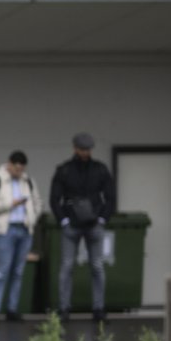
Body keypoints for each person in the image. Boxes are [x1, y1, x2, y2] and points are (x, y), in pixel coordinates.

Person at [49, 133, 117, 324]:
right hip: (74, 225)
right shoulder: (64, 170)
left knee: (96, 267)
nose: (85, 152)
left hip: (93, 224)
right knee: (68, 267)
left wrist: (103, 219)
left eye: (88, 149)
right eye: (82, 149)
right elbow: (54, 199)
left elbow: (110, 196)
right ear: (75, 148)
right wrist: (63, 221)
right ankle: (64, 309)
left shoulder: (99, 170)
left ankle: (98, 309)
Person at [0, 151, 40, 325]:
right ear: (9, 164)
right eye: (16, 168)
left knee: (18, 271)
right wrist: (11, 203)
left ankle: (12, 309)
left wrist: (32, 219)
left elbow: (37, 202)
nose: (18, 172)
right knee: (2, 271)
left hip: (24, 229)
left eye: (21, 169)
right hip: (5, 230)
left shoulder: (28, 181)